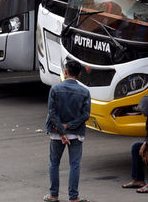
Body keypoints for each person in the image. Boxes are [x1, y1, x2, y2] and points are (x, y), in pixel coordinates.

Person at [45, 59, 90, 202]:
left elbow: (52, 113)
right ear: (79, 74)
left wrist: (62, 131)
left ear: (65, 72)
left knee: (54, 164)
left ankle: (53, 196)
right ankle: (74, 197)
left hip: (56, 133)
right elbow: (85, 115)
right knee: (74, 165)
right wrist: (68, 127)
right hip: (76, 133)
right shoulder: (85, 92)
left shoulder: (55, 89)